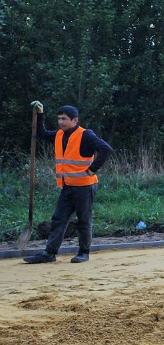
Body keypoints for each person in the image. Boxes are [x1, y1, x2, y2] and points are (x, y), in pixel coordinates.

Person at [23, 102, 113, 264]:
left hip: (85, 186)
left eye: (64, 119)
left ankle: (83, 253)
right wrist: (40, 113)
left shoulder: (86, 135)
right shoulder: (59, 134)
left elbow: (106, 149)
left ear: (75, 120)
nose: (60, 122)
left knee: (83, 221)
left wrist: (93, 169)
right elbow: (41, 133)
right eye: (58, 119)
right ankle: (49, 253)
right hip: (68, 186)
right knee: (58, 219)